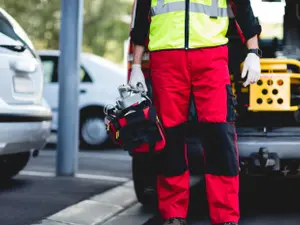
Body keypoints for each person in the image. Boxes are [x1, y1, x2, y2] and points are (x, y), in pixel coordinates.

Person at [128, 0, 262, 225]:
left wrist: (253, 51)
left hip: (211, 57)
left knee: (220, 135)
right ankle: (173, 214)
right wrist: (137, 67)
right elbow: (141, 20)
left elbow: (243, 8)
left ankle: (226, 217)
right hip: (166, 60)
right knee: (170, 137)